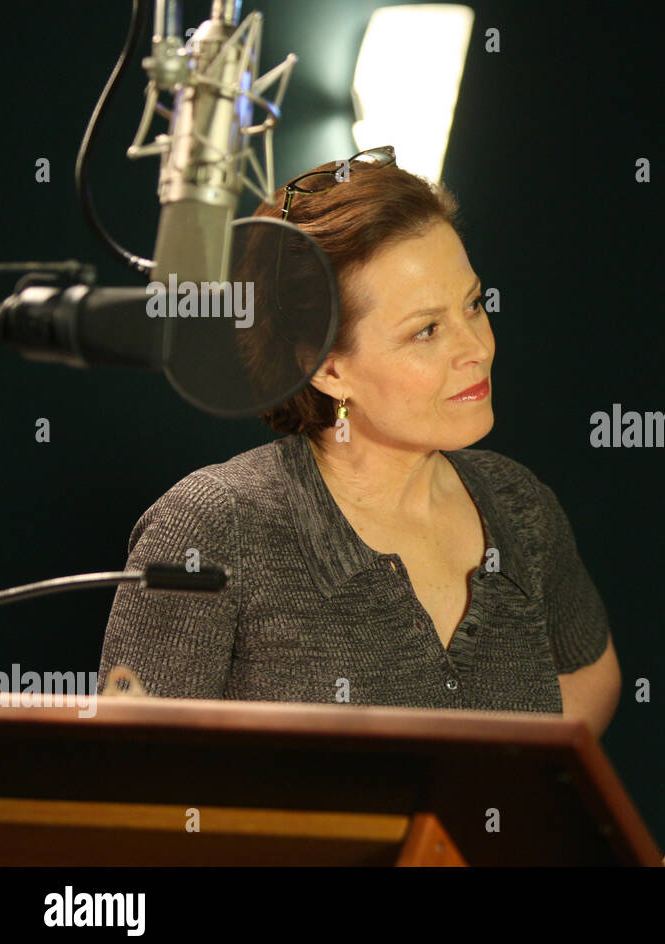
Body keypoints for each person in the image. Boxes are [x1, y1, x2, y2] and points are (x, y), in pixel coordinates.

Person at [99, 148, 620, 737]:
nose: (476, 347)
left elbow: (590, 679)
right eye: (426, 330)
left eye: (473, 305)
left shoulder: (519, 504)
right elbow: (130, 778)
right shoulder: (213, 526)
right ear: (327, 369)